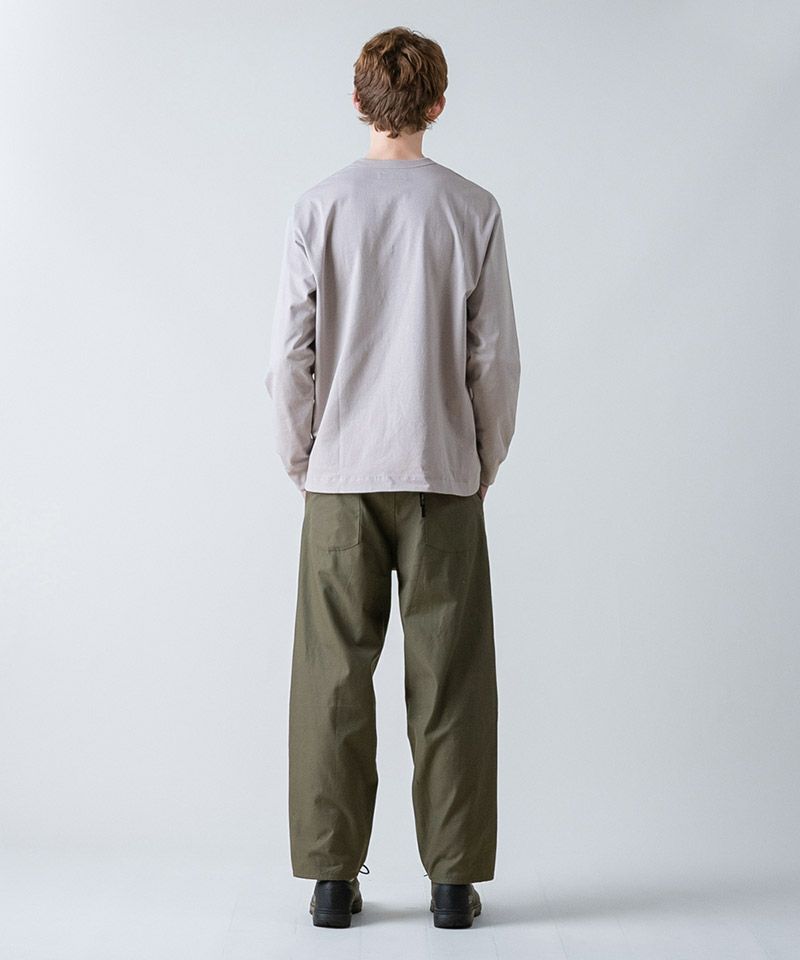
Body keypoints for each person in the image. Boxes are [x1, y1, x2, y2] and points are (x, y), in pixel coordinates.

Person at [265, 26, 521, 930]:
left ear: (357, 101)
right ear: (437, 105)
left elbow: (288, 357)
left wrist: (305, 459)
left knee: (332, 678)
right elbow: (494, 358)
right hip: (441, 470)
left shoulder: (319, 206)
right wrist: (484, 455)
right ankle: (452, 887)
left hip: (341, 473)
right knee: (451, 681)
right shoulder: (471, 208)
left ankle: (332, 884)